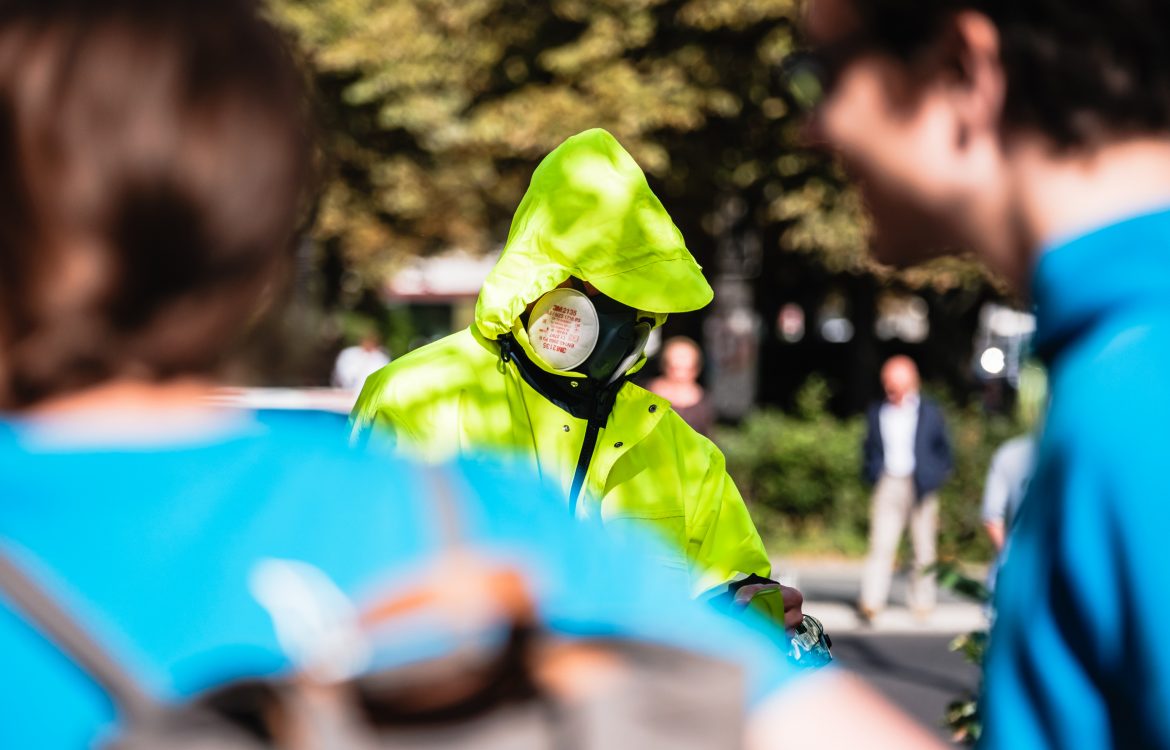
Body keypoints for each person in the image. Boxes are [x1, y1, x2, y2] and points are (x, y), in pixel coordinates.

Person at [0, 2, 951, 748]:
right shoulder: (468, 510)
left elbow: (738, 594)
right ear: (263, 254)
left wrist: (752, 609)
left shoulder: (664, 455)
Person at [799, 0, 1170, 745]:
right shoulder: (1123, 353)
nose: (815, 129)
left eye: (824, 75)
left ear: (964, 69)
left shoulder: (1139, 392)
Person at [351, 128, 803, 628]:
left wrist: (748, 610)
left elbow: (725, 596)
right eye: (604, 290)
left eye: (640, 298)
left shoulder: (680, 451)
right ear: (541, 278)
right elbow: (350, 586)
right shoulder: (416, 398)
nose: (625, 315)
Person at [858, 355, 953, 622]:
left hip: (921, 482)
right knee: (880, 545)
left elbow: (944, 450)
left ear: (911, 381)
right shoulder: (878, 411)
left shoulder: (930, 411)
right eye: (887, 382)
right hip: (888, 480)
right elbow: (868, 449)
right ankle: (871, 602)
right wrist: (873, 473)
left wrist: (936, 476)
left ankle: (922, 602)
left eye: (895, 382)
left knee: (923, 549)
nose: (891, 387)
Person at [980, 433, 1036, 595]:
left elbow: (992, 517)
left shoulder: (1010, 453)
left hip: (1012, 576)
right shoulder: (1086, 453)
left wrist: (1008, 557)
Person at [647, 336, 716, 436]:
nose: (680, 375)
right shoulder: (645, 393)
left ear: (696, 368)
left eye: (687, 368)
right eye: (675, 368)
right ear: (664, 365)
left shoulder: (705, 403)